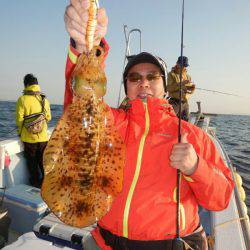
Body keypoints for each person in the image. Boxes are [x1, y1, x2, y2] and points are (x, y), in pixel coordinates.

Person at [63, 1, 234, 249]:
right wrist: (85, 47)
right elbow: (80, 103)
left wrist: (195, 167)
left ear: (165, 88)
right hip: (108, 242)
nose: (143, 83)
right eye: (134, 77)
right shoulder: (110, 122)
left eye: (152, 76)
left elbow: (222, 199)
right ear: (127, 88)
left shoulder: (192, 136)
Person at [16, 74, 51, 188]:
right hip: (43, 138)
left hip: (28, 138)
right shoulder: (44, 99)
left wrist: (20, 132)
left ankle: (36, 185)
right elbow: (48, 117)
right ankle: (47, 185)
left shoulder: (22, 99)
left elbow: (19, 119)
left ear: (26, 85)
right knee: (43, 163)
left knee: (32, 163)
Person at [167, 56, 195, 121]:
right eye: (182, 65)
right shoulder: (171, 74)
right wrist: (181, 84)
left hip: (185, 103)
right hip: (174, 103)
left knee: (185, 124)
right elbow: (169, 88)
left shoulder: (188, 76)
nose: (184, 67)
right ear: (177, 63)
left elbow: (189, 91)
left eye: (185, 65)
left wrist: (192, 89)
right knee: (171, 122)